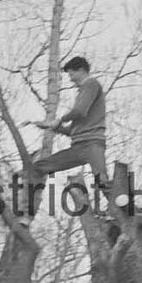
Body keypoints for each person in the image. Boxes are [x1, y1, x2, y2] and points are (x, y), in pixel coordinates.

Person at [18, 56, 109, 219]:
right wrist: (52, 127)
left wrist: (59, 120)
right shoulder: (84, 91)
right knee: (41, 167)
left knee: (102, 181)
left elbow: (79, 111)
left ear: (81, 70)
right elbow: (74, 131)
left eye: (72, 74)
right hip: (79, 147)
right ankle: (26, 212)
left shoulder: (91, 84)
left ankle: (124, 210)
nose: (71, 79)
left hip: (93, 144)